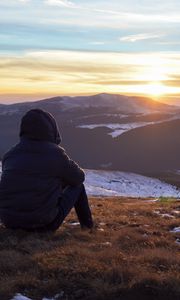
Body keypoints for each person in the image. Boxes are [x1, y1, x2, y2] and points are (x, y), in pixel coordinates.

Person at [0, 109, 93, 231]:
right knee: (78, 186)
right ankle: (88, 228)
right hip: (42, 224)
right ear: (51, 129)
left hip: (9, 222)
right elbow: (79, 177)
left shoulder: (10, 155)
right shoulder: (55, 154)